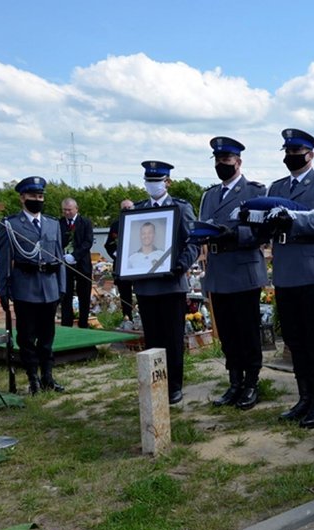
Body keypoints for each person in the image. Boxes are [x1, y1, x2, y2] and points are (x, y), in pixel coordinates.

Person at [267, 129, 314, 429]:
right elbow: (267, 221)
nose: (291, 157)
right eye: (287, 151)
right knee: (295, 341)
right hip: (285, 272)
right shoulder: (277, 186)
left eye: (297, 152)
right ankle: (304, 396)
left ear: (310, 154)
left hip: (312, 272)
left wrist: (293, 218)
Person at [199, 136, 267, 410]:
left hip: (242, 268)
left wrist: (234, 234)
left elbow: (262, 231)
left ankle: (251, 383)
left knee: (246, 330)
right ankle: (234, 381)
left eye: (226, 160)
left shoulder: (255, 192)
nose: (221, 164)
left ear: (238, 162)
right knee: (226, 332)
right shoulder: (210, 195)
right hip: (218, 270)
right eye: (217, 160)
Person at [133, 161, 199, 405]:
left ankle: (174, 386)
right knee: (152, 338)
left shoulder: (180, 208)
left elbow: (193, 241)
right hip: (146, 285)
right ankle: (155, 383)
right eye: (148, 181)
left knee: (172, 338)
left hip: (172, 284)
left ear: (167, 182)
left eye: (157, 181)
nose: (152, 185)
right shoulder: (138, 211)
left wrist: (181, 264)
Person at [0, 176, 66, 394]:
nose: (38, 199)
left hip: (49, 288)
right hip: (25, 288)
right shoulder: (11, 225)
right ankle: (32, 378)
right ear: (22, 198)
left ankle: (48, 377)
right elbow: (4, 260)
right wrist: (3, 290)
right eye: (33, 196)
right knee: (26, 337)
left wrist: (62, 286)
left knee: (47, 337)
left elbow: (60, 257)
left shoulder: (53, 224)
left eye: (40, 196)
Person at [59, 198, 94, 328]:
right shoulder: (60, 223)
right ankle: (66, 324)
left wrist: (74, 256)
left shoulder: (85, 222)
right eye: (64, 210)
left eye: (69, 210)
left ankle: (83, 323)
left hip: (82, 263)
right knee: (66, 294)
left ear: (76, 209)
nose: (67, 212)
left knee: (84, 294)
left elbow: (88, 242)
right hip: (65, 264)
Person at [104, 199, 135, 320]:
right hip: (122, 265)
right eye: (124, 208)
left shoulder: (141, 222)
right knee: (125, 294)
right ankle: (128, 317)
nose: (126, 210)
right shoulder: (115, 225)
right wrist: (119, 255)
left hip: (139, 264)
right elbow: (109, 245)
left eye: (129, 208)